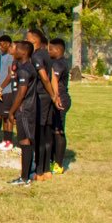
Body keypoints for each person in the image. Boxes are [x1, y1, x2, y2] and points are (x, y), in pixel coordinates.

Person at [26, 29, 60, 179]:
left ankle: (39, 171)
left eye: (28, 39)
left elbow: (45, 78)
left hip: (41, 96)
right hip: (47, 96)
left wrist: (53, 95)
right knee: (47, 132)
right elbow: (53, 76)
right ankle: (46, 169)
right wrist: (55, 95)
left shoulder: (37, 56)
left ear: (35, 40)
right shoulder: (47, 54)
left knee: (40, 133)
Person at [6, 40, 41, 185]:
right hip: (25, 109)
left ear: (24, 52)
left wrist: (11, 112)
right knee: (25, 141)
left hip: (24, 110)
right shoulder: (24, 67)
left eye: (16, 48)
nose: (13, 49)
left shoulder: (25, 70)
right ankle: (26, 174)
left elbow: (21, 93)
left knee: (25, 141)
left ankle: (25, 177)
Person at [48, 38, 72, 173]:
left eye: (50, 49)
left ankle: (59, 164)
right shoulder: (56, 62)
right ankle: (51, 159)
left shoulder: (58, 64)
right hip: (56, 99)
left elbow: (54, 82)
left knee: (58, 131)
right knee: (52, 131)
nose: (48, 51)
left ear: (57, 50)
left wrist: (56, 98)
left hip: (60, 100)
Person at [0, 35, 16, 149]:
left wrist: (1, 87)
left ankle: (10, 141)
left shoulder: (11, 57)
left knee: (8, 117)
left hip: (8, 91)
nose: (0, 46)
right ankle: (5, 139)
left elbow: (10, 75)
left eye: (2, 44)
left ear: (8, 44)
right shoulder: (2, 57)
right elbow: (0, 73)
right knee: (3, 116)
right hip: (1, 90)